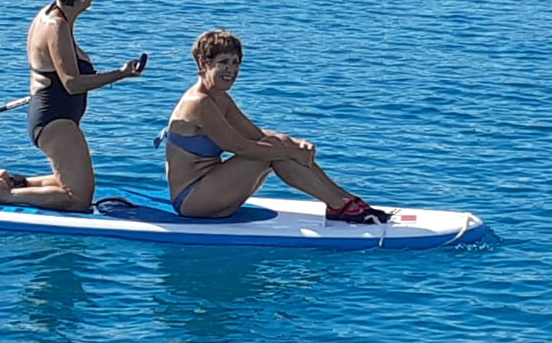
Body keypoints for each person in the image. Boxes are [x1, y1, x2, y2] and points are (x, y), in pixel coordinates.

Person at [0, 0, 145, 211]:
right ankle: (2, 196)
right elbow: (71, 83)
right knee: (78, 198)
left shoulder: (52, 16)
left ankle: (11, 182)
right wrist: (120, 73)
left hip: (54, 116)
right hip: (55, 121)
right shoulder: (56, 26)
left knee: (73, 183)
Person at [155, 29, 389, 223]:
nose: (231, 70)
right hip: (193, 201)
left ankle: (344, 200)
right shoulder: (199, 103)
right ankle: (339, 205)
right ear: (203, 64)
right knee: (269, 152)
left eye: (236, 63)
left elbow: (254, 134)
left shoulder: (220, 98)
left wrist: (295, 143)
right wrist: (289, 152)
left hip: (213, 191)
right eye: (223, 63)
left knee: (277, 143)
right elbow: (242, 148)